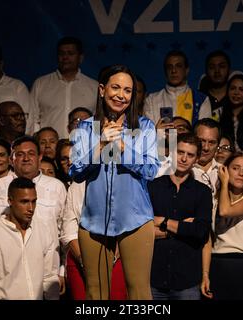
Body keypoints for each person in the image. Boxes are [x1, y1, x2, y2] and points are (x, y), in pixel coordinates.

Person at [69, 64, 159, 300]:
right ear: (101, 89)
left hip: (136, 220)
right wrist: (99, 145)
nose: (121, 95)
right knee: (95, 294)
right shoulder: (86, 127)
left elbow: (151, 169)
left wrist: (122, 146)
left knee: (139, 293)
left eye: (128, 90)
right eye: (116, 87)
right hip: (94, 222)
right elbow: (75, 172)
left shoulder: (145, 127)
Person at [148, 133, 212, 300]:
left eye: (190, 155)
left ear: (197, 159)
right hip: (153, 276)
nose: (184, 158)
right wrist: (182, 227)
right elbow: (143, 229)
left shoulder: (203, 192)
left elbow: (200, 231)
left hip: (187, 280)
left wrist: (162, 221)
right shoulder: (152, 186)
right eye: (180, 152)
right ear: (171, 153)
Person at [0, 177, 59, 299]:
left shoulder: (43, 231)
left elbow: (50, 278)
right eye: (24, 202)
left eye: (34, 201)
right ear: (10, 201)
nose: (31, 208)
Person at [202, 153, 243, 300]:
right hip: (217, 263)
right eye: (235, 168)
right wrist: (205, 274)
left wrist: (224, 183)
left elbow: (225, 211)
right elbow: (208, 240)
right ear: (225, 170)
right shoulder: (214, 202)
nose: (241, 173)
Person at [31, 37, 98, 138]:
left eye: (70, 53)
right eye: (61, 54)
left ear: (80, 58)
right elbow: (33, 118)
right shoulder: (41, 84)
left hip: (83, 148)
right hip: (49, 149)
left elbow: (98, 120)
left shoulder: (94, 86)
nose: (65, 57)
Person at [144, 50, 207, 127]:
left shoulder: (201, 99)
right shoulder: (151, 100)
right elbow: (150, 133)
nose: (173, 71)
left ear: (186, 70)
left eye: (178, 66)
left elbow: (204, 133)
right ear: (165, 71)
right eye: (170, 67)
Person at [198, 50, 231, 121]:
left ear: (229, 70)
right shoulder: (198, 99)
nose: (217, 71)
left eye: (222, 66)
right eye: (212, 67)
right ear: (206, 71)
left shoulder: (236, 98)